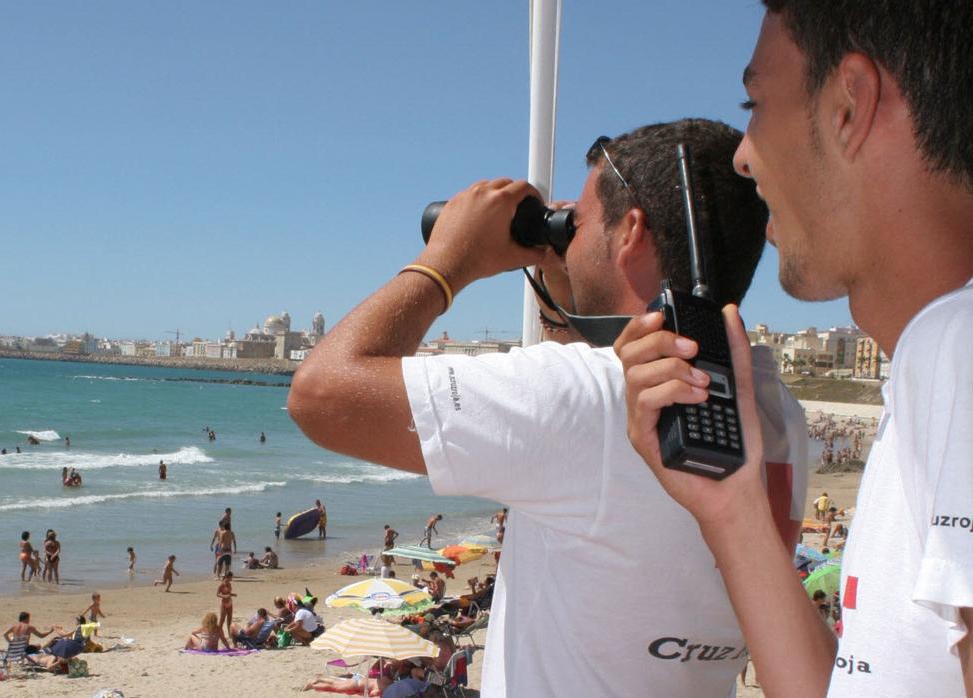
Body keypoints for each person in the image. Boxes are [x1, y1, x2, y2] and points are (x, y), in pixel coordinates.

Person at [288, 119, 809, 696]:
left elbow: (320, 396)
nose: (566, 236)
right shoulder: (776, 408)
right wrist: (566, 301)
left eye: (577, 224)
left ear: (630, 232)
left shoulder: (593, 398)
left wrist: (448, 261)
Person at [614, 4, 973, 697]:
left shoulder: (954, 347)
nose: (744, 155)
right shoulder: (925, 382)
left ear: (850, 106)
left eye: (756, 104)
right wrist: (732, 505)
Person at [216, 571, 236, 642]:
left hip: (230, 603)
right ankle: (218, 634)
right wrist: (224, 596)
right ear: (227, 577)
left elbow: (229, 593)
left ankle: (229, 634)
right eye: (231, 577)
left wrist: (233, 594)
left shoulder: (230, 584)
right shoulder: (222, 585)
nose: (232, 579)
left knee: (229, 619)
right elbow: (217, 594)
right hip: (224, 604)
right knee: (222, 620)